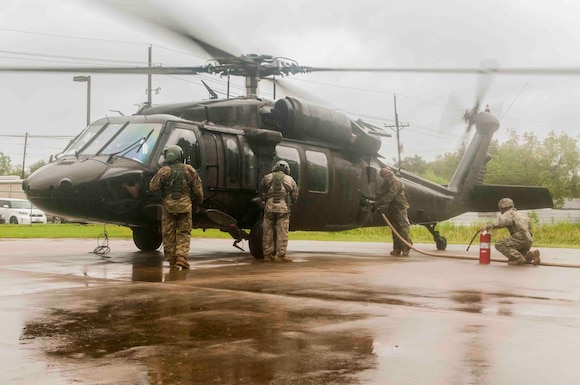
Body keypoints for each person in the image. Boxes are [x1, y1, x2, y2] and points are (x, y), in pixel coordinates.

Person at [149, 145, 204, 269]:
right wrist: (197, 203)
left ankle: (171, 260)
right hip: (185, 206)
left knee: (168, 233)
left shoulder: (164, 171)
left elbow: (153, 186)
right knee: (184, 232)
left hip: (168, 206)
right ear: (180, 155)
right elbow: (198, 191)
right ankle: (181, 257)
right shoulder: (189, 170)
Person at [481, 198, 541, 266]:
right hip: (528, 241)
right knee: (515, 256)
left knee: (499, 244)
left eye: (500, 209)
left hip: (519, 239)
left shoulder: (508, 213)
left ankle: (519, 258)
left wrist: (487, 226)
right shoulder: (523, 216)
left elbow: (502, 223)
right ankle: (532, 255)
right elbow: (530, 231)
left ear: (503, 207)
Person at [261, 160, 298, 263]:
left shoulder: (267, 177)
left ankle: (268, 255)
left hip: (269, 207)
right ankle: (280, 255)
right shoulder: (290, 179)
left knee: (268, 231)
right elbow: (294, 195)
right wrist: (291, 203)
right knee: (282, 232)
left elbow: (262, 189)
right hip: (283, 208)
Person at [374, 167, 412, 256]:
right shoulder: (386, 184)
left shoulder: (397, 183)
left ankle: (406, 247)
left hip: (400, 208)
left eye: (386, 175)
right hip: (392, 208)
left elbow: (390, 196)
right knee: (394, 229)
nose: (386, 178)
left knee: (403, 228)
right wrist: (371, 198)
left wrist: (378, 202)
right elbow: (380, 193)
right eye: (384, 176)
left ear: (390, 174)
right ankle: (397, 249)